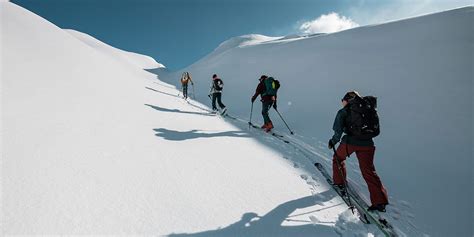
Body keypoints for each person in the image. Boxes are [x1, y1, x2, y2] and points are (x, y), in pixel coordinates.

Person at [328, 91, 389, 212]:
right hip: (368, 144)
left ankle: (340, 183)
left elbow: (338, 131)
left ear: (348, 100)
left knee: (338, 158)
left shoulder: (344, 111)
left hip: (350, 143)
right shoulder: (369, 110)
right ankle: (380, 201)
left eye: (343, 100)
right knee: (369, 170)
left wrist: (333, 141)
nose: (342, 103)